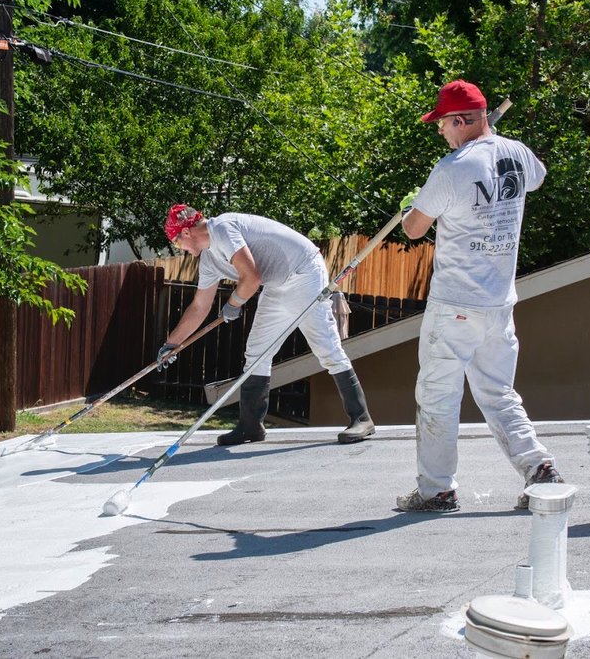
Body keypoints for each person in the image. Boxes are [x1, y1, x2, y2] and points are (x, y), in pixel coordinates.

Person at [395, 80, 563, 513]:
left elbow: (414, 229)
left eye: (443, 124)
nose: (440, 132)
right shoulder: (518, 153)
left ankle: (437, 490)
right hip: (499, 301)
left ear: (462, 120)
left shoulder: (453, 168)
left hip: (456, 303)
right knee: (498, 392)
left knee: (437, 395)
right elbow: (537, 181)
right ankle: (538, 467)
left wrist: (409, 207)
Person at [157, 203, 375, 446]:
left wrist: (234, 304)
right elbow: (199, 306)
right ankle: (250, 426)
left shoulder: (222, 228)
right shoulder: (208, 260)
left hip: (304, 272)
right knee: (257, 352)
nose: (182, 250)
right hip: (277, 283)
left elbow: (251, 278)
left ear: (186, 232)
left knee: (326, 347)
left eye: (177, 243)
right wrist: (171, 344)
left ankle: (362, 418)